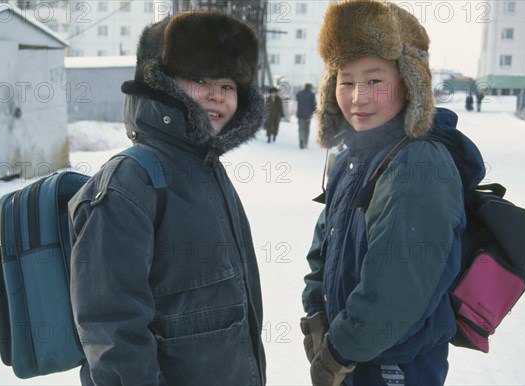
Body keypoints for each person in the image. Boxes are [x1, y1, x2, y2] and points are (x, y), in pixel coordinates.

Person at [68, 12, 266, 385]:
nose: (216, 94)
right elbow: (111, 331)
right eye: (199, 79)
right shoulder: (130, 181)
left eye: (227, 85)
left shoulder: (208, 169)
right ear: (162, 84)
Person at [300, 1, 485, 385]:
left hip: (396, 369)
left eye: (374, 80)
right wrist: (316, 312)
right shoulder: (355, 157)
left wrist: (339, 351)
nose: (357, 96)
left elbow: (398, 290)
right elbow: (325, 245)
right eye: (346, 80)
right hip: (355, 360)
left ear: (409, 82)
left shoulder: (417, 165)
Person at [296, 83, 317, 149]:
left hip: (300, 114)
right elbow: (314, 105)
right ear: (310, 87)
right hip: (308, 115)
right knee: (306, 129)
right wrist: (314, 111)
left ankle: (301, 139)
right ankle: (305, 142)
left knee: (301, 128)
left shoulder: (299, 93)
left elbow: (298, 100)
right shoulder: (312, 94)